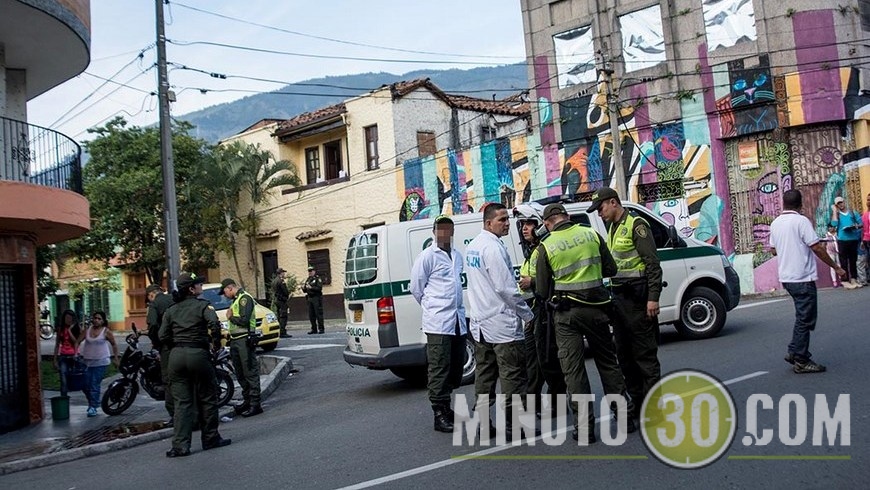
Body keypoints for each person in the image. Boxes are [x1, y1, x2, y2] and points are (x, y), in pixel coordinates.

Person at [535, 203, 633, 443]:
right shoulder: (591, 234)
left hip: (566, 316)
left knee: (574, 372)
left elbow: (542, 289)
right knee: (608, 364)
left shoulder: (545, 246)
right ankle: (625, 418)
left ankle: (585, 430)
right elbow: (610, 268)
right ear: (567, 217)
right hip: (598, 311)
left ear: (548, 223)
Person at [588, 186, 662, 422]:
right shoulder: (613, 228)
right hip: (620, 300)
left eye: (600, 209)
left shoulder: (636, 225)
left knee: (645, 357)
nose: (599, 214)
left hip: (639, 298)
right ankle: (639, 406)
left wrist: (653, 298)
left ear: (613, 202)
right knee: (625, 356)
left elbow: (652, 264)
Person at [465, 202, 534, 438]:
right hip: (501, 325)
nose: (507, 224)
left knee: (484, 376)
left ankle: (483, 423)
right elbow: (505, 288)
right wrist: (527, 313)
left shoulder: (474, 246)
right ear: (488, 223)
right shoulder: (493, 249)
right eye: (502, 220)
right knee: (513, 376)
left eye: (507, 219)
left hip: (481, 324)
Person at [770, 190, 845, 374]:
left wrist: (790, 245)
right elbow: (817, 248)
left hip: (787, 277)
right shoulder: (801, 221)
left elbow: (773, 250)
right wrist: (836, 267)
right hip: (802, 277)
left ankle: (794, 350)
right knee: (806, 318)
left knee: (802, 316)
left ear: (784, 203)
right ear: (799, 204)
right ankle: (801, 360)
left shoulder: (776, 223)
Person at [159, 272, 231, 457]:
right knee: (207, 396)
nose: (200, 286)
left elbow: (162, 336)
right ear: (191, 289)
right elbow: (215, 325)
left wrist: (175, 345)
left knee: (182, 402)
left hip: (176, 357)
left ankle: (180, 446)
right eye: (198, 284)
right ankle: (211, 438)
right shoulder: (203, 306)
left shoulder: (171, 310)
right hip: (198, 354)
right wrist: (215, 345)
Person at [410, 215, 467, 433]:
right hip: (438, 322)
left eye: (449, 229)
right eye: (441, 229)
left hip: (457, 320)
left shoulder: (457, 256)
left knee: (456, 366)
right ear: (434, 232)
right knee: (439, 367)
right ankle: (439, 412)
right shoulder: (427, 256)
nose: (445, 233)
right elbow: (416, 287)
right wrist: (431, 306)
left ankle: (447, 405)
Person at [514, 204, 566, 419]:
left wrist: (532, 281)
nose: (525, 228)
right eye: (523, 225)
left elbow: (556, 277)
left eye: (529, 224)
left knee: (548, 360)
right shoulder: (531, 251)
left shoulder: (547, 247)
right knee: (532, 360)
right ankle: (532, 402)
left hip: (546, 312)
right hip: (533, 314)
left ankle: (557, 402)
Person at [220, 278, 264, 417]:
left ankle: (255, 404)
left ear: (230, 288)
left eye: (225, 291)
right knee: (240, 372)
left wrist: (231, 317)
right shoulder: (236, 300)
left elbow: (244, 320)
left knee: (249, 371)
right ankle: (247, 400)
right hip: (235, 341)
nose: (225, 295)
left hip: (244, 340)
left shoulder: (245, 298)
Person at [76, 311, 120, 417]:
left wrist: (116, 358)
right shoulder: (87, 330)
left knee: (94, 383)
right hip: (87, 361)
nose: (96, 320)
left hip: (101, 361)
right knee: (85, 384)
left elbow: (114, 344)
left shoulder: (106, 332)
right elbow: (77, 341)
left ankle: (93, 407)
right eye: (95, 318)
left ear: (103, 321)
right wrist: (75, 353)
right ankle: (93, 402)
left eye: (99, 319)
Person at [146, 284, 175, 420]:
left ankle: (174, 414)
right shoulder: (174, 298)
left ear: (151, 294)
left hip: (166, 347)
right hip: (183, 343)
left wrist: (155, 341)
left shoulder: (154, 305)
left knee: (168, 380)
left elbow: (152, 325)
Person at [830, 196, 863, 289]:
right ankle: (845, 280)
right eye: (838, 204)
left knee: (853, 260)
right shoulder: (838, 215)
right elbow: (834, 224)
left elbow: (861, 224)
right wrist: (834, 211)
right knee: (843, 261)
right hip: (842, 240)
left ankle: (854, 279)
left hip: (853, 239)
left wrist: (855, 226)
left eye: (841, 202)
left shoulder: (853, 213)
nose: (840, 205)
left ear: (844, 202)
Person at [53, 309, 81, 398]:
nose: (68, 320)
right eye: (66, 318)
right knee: (63, 378)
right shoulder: (60, 329)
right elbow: (57, 345)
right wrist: (55, 360)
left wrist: (69, 331)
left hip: (74, 356)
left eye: (70, 318)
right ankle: (64, 399)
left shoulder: (76, 328)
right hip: (63, 355)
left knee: (78, 378)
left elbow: (76, 342)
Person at [302, 265, 325, 334]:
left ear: (314, 271)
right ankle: (314, 329)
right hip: (309, 298)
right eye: (309, 271)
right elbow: (305, 290)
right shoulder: (308, 279)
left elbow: (319, 288)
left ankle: (321, 329)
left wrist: (311, 287)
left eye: (311, 271)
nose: (310, 273)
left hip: (316, 298)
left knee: (318, 314)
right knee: (311, 315)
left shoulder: (318, 279)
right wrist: (303, 288)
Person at [272, 268, 292, 338]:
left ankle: (279, 331)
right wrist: (287, 295)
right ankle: (282, 332)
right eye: (283, 273)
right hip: (282, 300)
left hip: (277, 300)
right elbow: (285, 291)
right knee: (283, 316)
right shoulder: (281, 281)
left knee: (279, 316)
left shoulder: (274, 281)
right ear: (280, 273)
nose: (284, 274)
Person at [862, 193, 870, 284]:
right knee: (868, 259)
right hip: (867, 239)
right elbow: (863, 229)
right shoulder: (865, 215)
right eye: (868, 200)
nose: (868, 202)